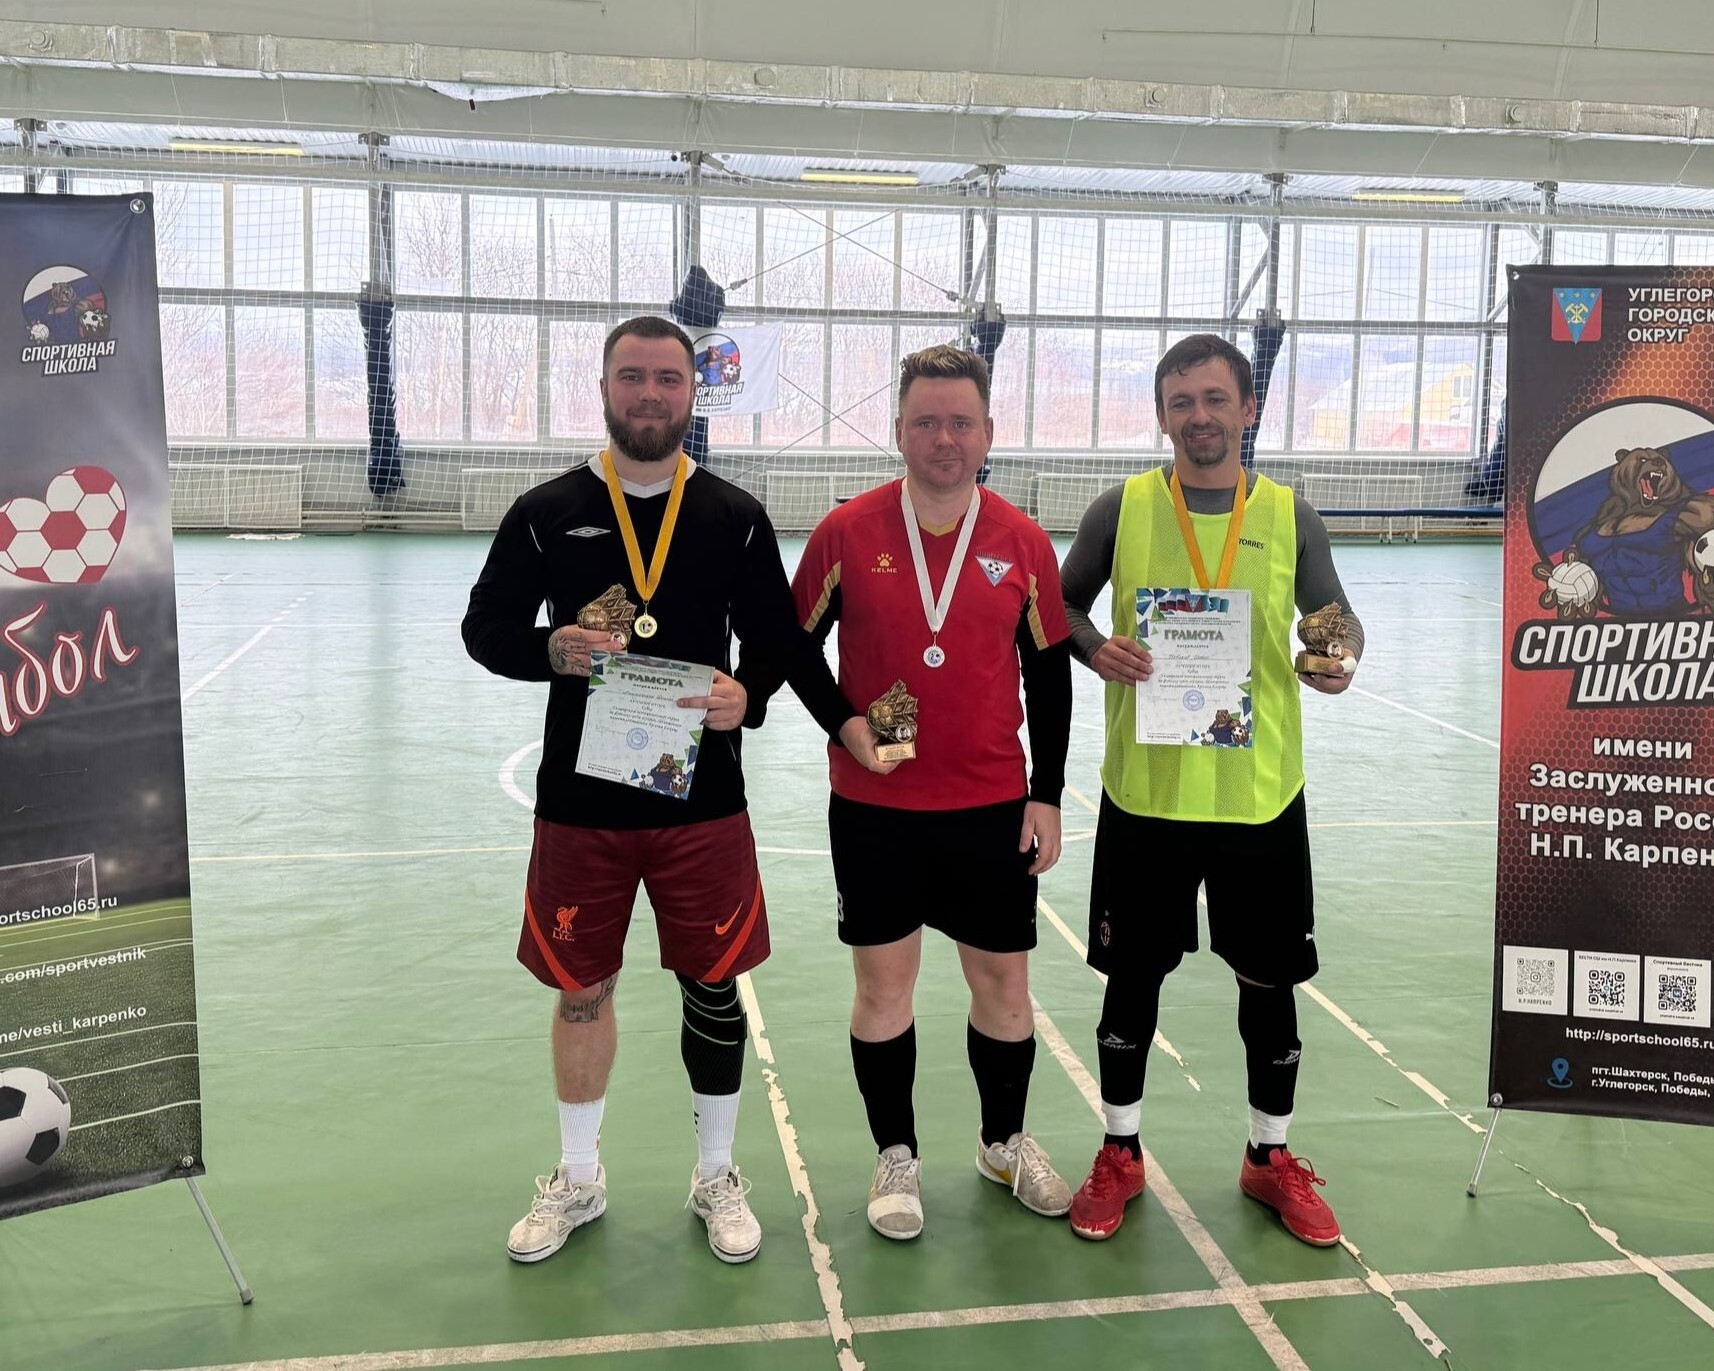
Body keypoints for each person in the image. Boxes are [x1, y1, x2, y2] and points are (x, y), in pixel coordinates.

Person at [462, 315, 884, 1266]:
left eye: (667, 378)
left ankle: (716, 1174)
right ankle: (579, 1176)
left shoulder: (734, 514)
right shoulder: (545, 510)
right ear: (604, 388)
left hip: (702, 805)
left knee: (714, 987)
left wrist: (751, 696)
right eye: (632, 377)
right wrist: (550, 648)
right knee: (582, 990)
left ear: (694, 393)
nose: (649, 394)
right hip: (583, 805)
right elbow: (484, 628)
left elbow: (777, 640)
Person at [752, 344, 1075, 1240]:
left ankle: (1002, 1141)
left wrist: (1046, 792)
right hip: (876, 810)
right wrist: (844, 725)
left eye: (960, 422)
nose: (944, 438)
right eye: (926, 421)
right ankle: (895, 1153)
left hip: (990, 806)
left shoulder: (1022, 542)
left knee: (1003, 984)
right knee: (883, 987)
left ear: (988, 433)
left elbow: (1049, 672)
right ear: (898, 430)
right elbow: (791, 642)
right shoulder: (847, 531)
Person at [1057, 333, 1365, 1247]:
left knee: (1269, 984)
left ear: (1248, 408)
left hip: (1257, 801)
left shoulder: (1290, 515)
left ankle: (1269, 1156)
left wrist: (1338, 656)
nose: (1199, 416)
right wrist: (1094, 648)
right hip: (1146, 797)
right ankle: (1120, 1151)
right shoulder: (1120, 508)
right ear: (1162, 415)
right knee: (1131, 980)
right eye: (1182, 401)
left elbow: (1335, 617)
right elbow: (1059, 606)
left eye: (1215, 398)